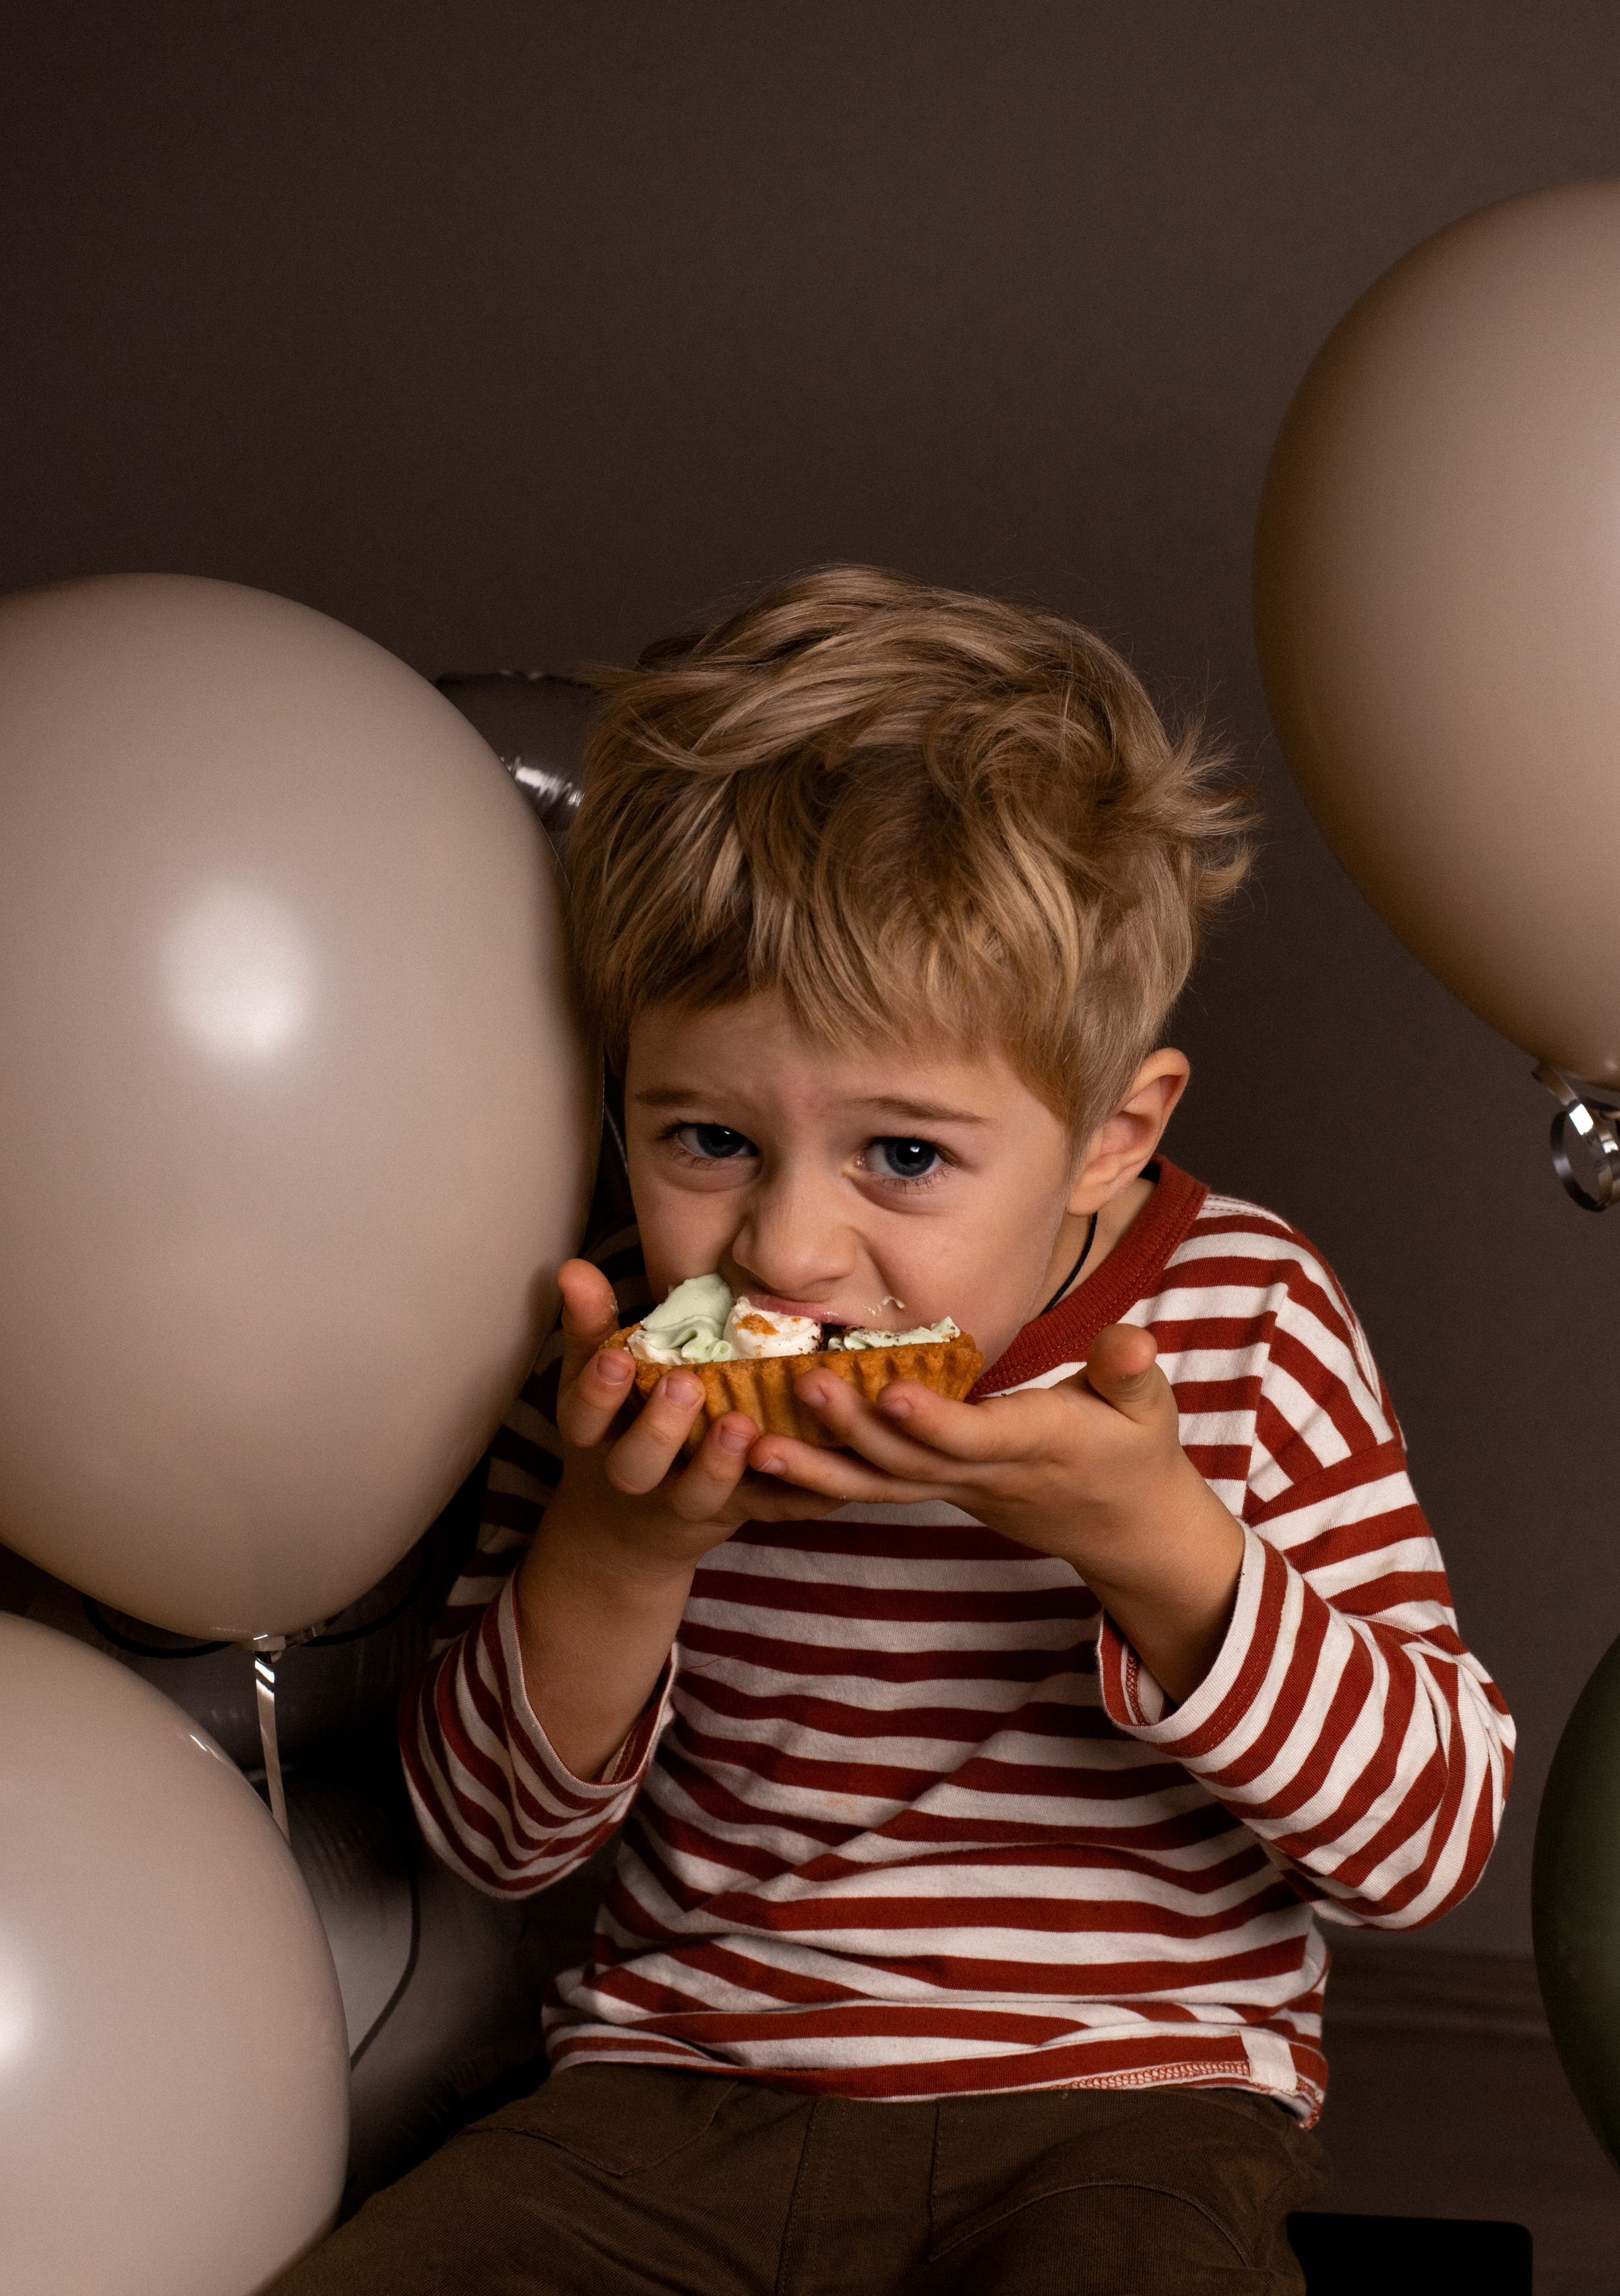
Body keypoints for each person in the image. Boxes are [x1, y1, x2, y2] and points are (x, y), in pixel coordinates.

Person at [276, 566, 1513, 2294]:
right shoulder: (622, 1345)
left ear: (1105, 1134)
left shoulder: (1240, 1317)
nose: (782, 1250)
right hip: (673, 2091)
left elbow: (1426, 1844)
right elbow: (490, 1842)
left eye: (904, 1158)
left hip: (1122, 2106)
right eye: (703, 1137)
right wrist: (618, 1549)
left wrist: (1149, 1544)